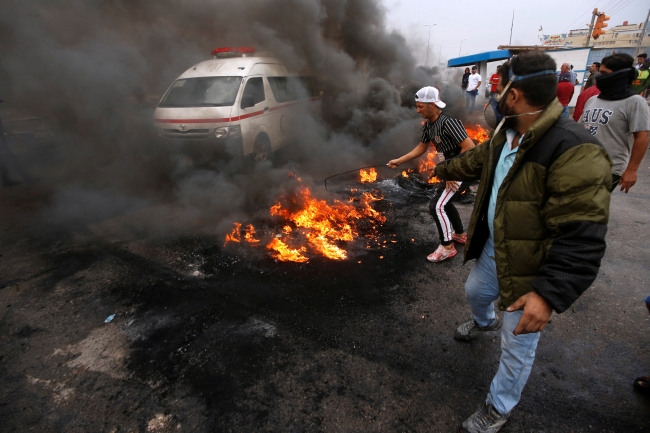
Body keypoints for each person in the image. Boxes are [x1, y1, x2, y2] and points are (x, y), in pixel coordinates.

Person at [434, 51, 611, 432]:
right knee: (476, 292)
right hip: (496, 248)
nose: (493, 96)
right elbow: (479, 159)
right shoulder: (507, 131)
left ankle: (498, 408)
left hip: (533, 268)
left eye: (498, 89)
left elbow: (583, 236)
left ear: (514, 96)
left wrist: (548, 294)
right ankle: (484, 324)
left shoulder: (574, 149)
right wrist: (440, 169)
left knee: (517, 347)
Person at [387, 86, 475, 262]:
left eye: (420, 106)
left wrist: (450, 171)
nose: (417, 110)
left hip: (462, 170)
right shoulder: (429, 125)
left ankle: (447, 247)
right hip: (449, 171)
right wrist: (400, 160)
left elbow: (469, 148)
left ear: (432, 105)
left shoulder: (449, 122)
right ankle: (458, 234)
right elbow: (422, 147)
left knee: (437, 205)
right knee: (445, 202)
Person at [579, 53, 650, 193]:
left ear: (620, 75)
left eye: (604, 73)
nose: (599, 76)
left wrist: (631, 170)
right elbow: (579, 129)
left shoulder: (634, 102)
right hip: (581, 163)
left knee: (587, 209)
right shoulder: (593, 100)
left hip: (608, 168)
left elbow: (642, 137)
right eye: (599, 72)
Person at [0, 101, 40, 187]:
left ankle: (6, 181)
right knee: (13, 161)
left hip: (2, 142)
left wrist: (14, 135)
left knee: (3, 162)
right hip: (1, 144)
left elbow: (2, 127)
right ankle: (28, 178)